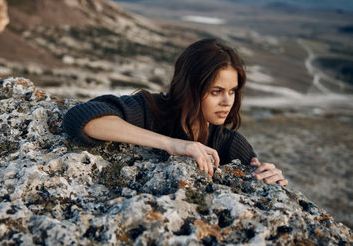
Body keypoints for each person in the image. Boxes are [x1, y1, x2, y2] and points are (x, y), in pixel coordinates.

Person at [64, 39, 288, 186]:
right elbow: (83, 117)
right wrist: (172, 144)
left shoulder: (230, 144)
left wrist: (271, 177)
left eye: (232, 91)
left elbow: (260, 184)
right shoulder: (152, 109)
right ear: (190, 87)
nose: (227, 101)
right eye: (216, 91)